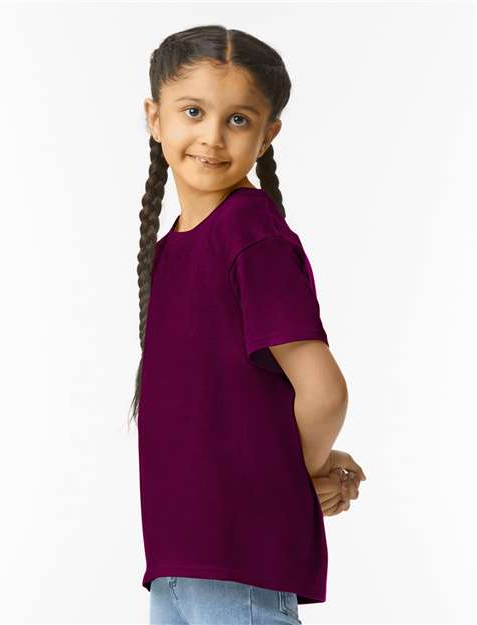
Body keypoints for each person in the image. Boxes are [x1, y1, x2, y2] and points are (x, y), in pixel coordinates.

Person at [128, 25, 367, 625]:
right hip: (181, 562)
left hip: (238, 566)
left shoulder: (250, 235)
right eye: (193, 111)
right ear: (155, 118)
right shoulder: (173, 248)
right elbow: (218, 409)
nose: (212, 136)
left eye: (238, 119)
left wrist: (303, 471)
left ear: (268, 135)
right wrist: (307, 461)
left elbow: (323, 391)